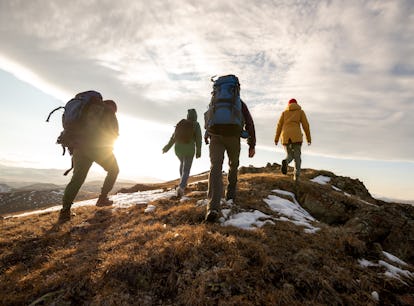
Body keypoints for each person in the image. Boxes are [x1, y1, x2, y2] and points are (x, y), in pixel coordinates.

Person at [58, 99, 120, 222]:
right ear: (113, 108)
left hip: (78, 148)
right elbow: (113, 134)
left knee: (77, 179)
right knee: (114, 170)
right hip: (98, 148)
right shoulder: (108, 112)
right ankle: (102, 198)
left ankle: (65, 211)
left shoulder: (84, 112)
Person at [205, 99, 256, 223]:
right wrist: (251, 144)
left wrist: (207, 134)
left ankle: (213, 208)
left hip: (215, 135)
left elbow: (209, 117)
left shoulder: (215, 100)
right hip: (233, 136)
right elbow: (249, 122)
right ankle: (230, 196)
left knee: (215, 167)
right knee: (233, 165)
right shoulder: (238, 103)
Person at [162, 109, 202, 197]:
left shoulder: (181, 123)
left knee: (182, 164)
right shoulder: (196, 124)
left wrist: (167, 148)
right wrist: (198, 151)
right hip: (189, 149)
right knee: (186, 169)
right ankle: (182, 186)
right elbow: (199, 139)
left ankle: (182, 183)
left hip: (178, 149)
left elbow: (173, 137)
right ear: (195, 116)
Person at [274, 98, 311, 182]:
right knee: (297, 156)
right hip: (296, 136)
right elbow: (306, 125)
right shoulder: (300, 112)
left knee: (289, 155)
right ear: (296, 104)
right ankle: (296, 176)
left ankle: (286, 162)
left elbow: (279, 126)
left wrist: (276, 139)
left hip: (286, 137)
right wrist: (308, 138)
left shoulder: (284, 113)